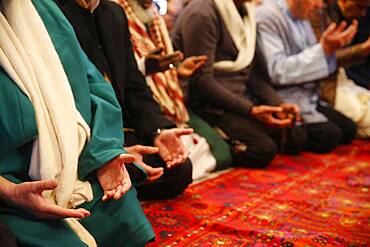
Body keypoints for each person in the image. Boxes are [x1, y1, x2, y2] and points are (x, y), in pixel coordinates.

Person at [0, 0, 154, 246]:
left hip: (78, 159)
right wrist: (9, 192)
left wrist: (106, 154)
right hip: (12, 183)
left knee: (125, 210)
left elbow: (96, 87)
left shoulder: (44, 8)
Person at [54, 0, 196, 200]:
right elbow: (67, 96)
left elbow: (133, 84)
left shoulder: (113, 12)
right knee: (117, 176)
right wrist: (109, 151)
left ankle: (126, 178)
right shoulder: (55, 11)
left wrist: (157, 131)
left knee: (179, 170)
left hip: (123, 129)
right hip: (85, 135)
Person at [172, 0, 302, 168]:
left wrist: (278, 104)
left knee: (295, 135)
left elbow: (253, 75)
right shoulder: (202, 13)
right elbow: (201, 83)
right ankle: (214, 141)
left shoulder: (246, 12)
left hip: (237, 100)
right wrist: (250, 110)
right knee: (263, 150)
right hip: (208, 105)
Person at [115, 0, 233, 178]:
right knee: (180, 168)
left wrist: (178, 71)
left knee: (222, 153)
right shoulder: (116, 13)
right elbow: (121, 77)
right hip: (135, 112)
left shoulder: (154, 16)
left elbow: (163, 73)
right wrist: (147, 67)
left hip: (170, 105)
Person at [256, 0, 358, 153]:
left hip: (308, 96)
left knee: (349, 129)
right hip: (282, 97)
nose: (319, 5)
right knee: (329, 136)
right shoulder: (268, 16)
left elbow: (317, 60)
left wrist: (328, 50)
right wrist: (322, 50)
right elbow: (277, 71)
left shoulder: (302, 16)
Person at [327, 0, 370, 89]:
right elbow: (325, 60)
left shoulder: (351, 17)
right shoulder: (325, 15)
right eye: (360, 8)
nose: (363, 14)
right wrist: (364, 48)